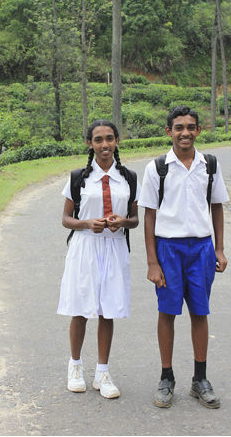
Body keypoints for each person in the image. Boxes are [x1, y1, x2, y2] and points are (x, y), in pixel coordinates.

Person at [139, 105, 229, 409]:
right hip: (168, 249)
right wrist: (152, 261)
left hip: (201, 248)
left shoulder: (210, 165)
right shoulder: (157, 168)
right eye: (179, 128)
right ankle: (167, 377)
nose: (185, 133)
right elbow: (149, 216)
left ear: (198, 131)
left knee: (200, 312)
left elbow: (217, 207)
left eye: (191, 127)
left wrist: (219, 248)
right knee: (167, 311)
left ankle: (199, 379)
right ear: (169, 132)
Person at [58, 120, 140, 399]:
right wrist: (86, 223)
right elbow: (66, 219)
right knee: (80, 307)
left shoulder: (128, 178)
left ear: (117, 140)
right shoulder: (79, 177)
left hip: (115, 247)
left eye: (109, 139)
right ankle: (75, 366)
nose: (104, 145)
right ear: (90, 144)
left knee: (108, 309)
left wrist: (123, 221)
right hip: (85, 246)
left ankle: (102, 372)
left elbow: (135, 219)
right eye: (98, 140)